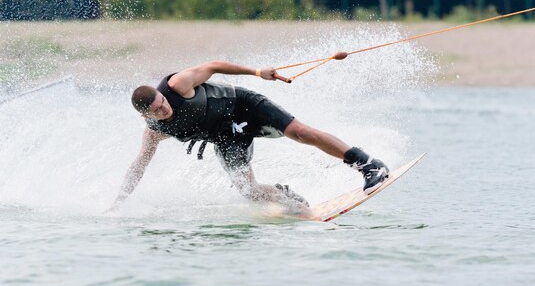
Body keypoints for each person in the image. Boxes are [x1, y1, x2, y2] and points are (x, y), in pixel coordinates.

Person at [113, 60, 389, 212]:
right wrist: (119, 203)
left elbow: (214, 65)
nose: (165, 108)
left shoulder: (178, 84)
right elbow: (139, 166)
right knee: (248, 190)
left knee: (300, 133)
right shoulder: (154, 132)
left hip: (243, 105)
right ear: (146, 117)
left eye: (162, 102)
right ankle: (289, 201)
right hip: (226, 137)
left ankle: (368, 164)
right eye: (158, 111)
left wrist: (258, 72)